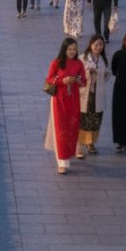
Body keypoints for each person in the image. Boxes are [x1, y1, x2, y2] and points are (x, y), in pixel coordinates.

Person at [45, 37, 87, 172]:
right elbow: (49, 79)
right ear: (64, 49)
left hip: (73, 99)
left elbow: (84, 81)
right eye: (70, 49)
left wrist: (78, 80)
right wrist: (63, 80)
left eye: (74, 49)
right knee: (61, 128)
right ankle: (62, 161)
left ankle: (71, 150)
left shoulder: (79, 64)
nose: (72, 52)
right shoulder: (56, 63)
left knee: (72, 126)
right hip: (59, 100)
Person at [80, 34, 110, 155]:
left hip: (98, 94)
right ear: (90, 45)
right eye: (96, 44)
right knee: (84, 119)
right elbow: (79, 75)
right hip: (85, 94)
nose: (98, 47)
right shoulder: (83, 58)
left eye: (101, 45)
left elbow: (106, 76)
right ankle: (81, 143)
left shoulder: (103, 60)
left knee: (96, 119)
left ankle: (91, 142)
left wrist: (106, 75)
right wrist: (89, 73)